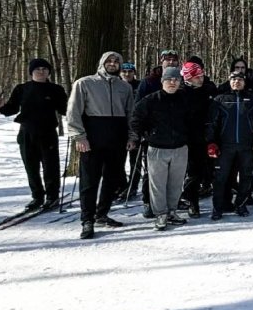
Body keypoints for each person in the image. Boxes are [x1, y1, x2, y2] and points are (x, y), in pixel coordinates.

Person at [67, 51, 136, 240]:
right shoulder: (85, 83)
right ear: (102, 63)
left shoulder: (125, 87)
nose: (113, 64)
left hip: (117, 137)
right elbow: (73, 112)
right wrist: (79, 137)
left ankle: (102, 213)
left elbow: (130, 113)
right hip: (93, 136)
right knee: (90, 180)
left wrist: (131, 136)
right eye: (109, 61)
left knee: (112, 179)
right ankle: (87, 219)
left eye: (116, 61)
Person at [0, 58, 68, 210]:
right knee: (31, 167)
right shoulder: (22, 89)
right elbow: (11, 109)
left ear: (49, 72)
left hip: (48, 133)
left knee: (50, 167)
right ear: (31, 72)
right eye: (37, 69)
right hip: (26, 133)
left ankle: (52, 197)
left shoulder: (56, 89)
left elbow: (64, 110)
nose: (41, 71)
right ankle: (37, 197)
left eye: (44, 69)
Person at [130, 67, 195, 230]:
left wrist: (187, 136)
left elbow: (193, 120)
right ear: (162, 81)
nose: (172, 82)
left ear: (179, 82)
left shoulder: (185, 99)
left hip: (180, 148)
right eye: (169, 79)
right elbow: (136, 119)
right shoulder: (151, 100)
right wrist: (146, 134)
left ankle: (172, 211)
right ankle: (161, 214)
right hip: (157, 148)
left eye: (175, 80)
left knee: (176, 183)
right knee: (158, 184)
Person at [206, 70, 253, 220]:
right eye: (233, 79)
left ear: (244, 82)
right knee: (221, 178)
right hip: (225, 146)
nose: (236, 82)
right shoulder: (219, 100)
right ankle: (217, 208)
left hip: (247, 146)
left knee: (247, 176)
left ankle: (241, 204)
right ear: (229, 81)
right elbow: (211, 123)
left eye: (240, 79)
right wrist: (211, 142)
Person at [180, 60, 217, 217]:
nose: (200, 78)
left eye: (201, 75)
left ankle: (198, 200)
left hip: (206, 137)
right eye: (196, 76)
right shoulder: (181, 93)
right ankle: (188, 200)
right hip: (186, 139)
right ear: (188, 78)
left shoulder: (208, 90)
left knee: (202, 171)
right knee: (188, 172)